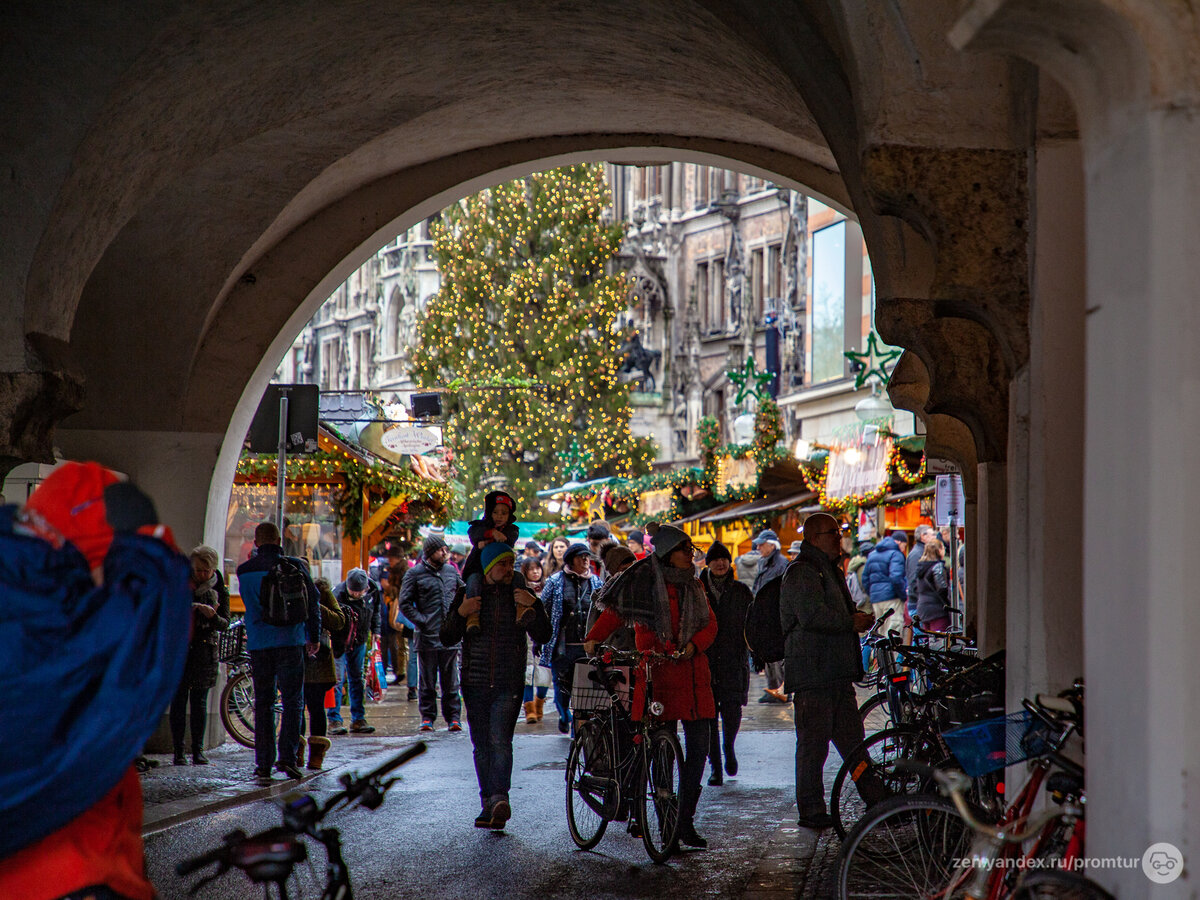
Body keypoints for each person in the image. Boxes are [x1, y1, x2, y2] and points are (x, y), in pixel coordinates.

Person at [0, 462, 191, 900]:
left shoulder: (22, 593)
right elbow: (152, 630)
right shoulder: (65, 624)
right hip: (70, 878)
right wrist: (148, 544)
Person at [585, 523, 718, 849]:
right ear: (670, 553)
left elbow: (710, 624)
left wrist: (693, 645)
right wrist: (592, 640)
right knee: (662, 754)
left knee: (699, 751)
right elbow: (616, 612)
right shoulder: (643, 581)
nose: (691, 555)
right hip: (658, 675)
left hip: (694, 676)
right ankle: (668, 827)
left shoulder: (695, 586)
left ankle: (684, 820)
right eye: (686, 550)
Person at [780, 513, 884, 830]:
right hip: (814, 675)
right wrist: (850, 622)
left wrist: (854, 616)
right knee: (813, 746)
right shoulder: (802, 571)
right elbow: (811, 616)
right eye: (833, 533)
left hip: (835, 674)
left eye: (839, 533)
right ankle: (810, 809)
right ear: (814, 537)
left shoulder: (828, 569)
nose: (839, 538)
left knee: (853, 744)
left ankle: (877, 800)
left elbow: (832, 611)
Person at [441, 543, 551, 830]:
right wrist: (462, 612)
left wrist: (534, 605)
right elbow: (447, 635)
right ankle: (487, 802)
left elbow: (544, 633)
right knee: (481, 745)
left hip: (508, 681)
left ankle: (500, 798)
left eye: (511, 563)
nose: (508, 568)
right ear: (489, 567)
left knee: (500, 741)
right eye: (503, 563)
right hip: (474, 681)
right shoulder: (470, 593)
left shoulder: (518, 595)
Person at [237, 521, 322, 781]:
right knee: (293, 701)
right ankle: (288, 759)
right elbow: (313, 600)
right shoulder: (294, 566)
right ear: (279, 539)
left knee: (263, 703)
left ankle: (263, 763)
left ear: (256, 541)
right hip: (291, 640)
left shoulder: (244, 571)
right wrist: (314, 636)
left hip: (260, 644)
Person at [170, 545, 231, 765]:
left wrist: (212, 616)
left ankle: (198, 750)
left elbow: (225, 622)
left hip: (204, 649)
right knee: (178, 700)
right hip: (180, 649)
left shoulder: (219, 588)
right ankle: (179, 751)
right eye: (198, 571)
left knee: (199, 702)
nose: (202, 575)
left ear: (213, 570)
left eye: (206, 571)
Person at [401, 533, 466, 732]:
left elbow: (463, 592)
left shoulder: (450, 571)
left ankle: (453, 718)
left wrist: (458, 618)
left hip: (449, 637)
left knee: (451, 681)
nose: (445, 552)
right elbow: (404, 603)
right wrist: (422, 621)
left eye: (445, 548)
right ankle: (427, 718)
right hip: (427, 637)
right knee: (427, 680)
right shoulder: (414, 573)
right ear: (430, 552)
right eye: (441, 549)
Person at [699, 541, 752, 787]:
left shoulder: (741, 591)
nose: (720, 563)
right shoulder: (698, 590)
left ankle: (728, 747)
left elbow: (753, 625)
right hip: (705, 661)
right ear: (707, 563)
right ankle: (715, 767)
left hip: (733, 660)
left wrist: (757, 652)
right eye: (715, 559)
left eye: (724, 559)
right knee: (709, 716)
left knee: (732, 709)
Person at [538, 542, 603, 733]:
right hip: (562, 646)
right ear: (570, 560)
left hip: (587, 647)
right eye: (580, 557)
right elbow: (543, 610)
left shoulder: (596, 582)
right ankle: (564, 713)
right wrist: (540, 639)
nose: (585, 560)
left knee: (584, 687)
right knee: (561, 683)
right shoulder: (555, 581)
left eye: (587, 556)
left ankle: (578, 726)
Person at [299, 578, 346, 769]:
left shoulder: (321, 590)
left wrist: (315, 606)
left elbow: (339, 620)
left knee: (316, 708)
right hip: (295, 657)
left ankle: (316, 756)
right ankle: (297, 753)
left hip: (318, 662)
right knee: (296, 709)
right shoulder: (281, 589)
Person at [330, 568, 382, 734]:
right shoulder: (337, 595)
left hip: (359, 640)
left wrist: (376, 630)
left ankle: (358, 719)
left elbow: (376, 612)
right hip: (339, 642)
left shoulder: (373, 591)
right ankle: (334, 720)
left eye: (360, 592)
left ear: (366, 588)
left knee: (357, 679)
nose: (357, 595)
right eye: (354, 592)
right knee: (337, 681)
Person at [462, 491, 519, 635]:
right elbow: (475, 533)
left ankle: (521, 608)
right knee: (474, 581)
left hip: (502, 570)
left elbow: (508, 540)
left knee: (518, 579)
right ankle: (473, 615)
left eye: (504, 513)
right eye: (495, 512)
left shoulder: (512, 530)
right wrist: (492, 534)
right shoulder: (480, 526)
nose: (499, 516)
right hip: (479, 569)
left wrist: (485, 542)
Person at [752, 529, 789, 704]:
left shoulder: (781, 564)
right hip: (765, 616)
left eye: (761, 543)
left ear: (772, 545)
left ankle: (781, 690)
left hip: (775, 617)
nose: (758, 546)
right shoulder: (764, 562)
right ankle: (773, 688)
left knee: (777, 657)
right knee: (768, 656)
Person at [517, 556, 551, 723]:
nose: (535, 571)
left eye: (538, 568)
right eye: (531, 569)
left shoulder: (548, 588)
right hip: (527, 638)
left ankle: (539, 704)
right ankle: (529, 708)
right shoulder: (521, 591)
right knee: (528, 674)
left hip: (543, 637)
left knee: (544, 674)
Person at [861, 530, 907, 635]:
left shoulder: (872, 555)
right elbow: (896, 578)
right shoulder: (896, 554)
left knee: (880, 632)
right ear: (899, 542)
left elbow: (865, 578)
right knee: (892, 632)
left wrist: (873, 593)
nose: (904, 548)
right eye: (905, 545)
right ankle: (890, 652)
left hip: (876, 600)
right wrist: (902, 595)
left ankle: (878, 652)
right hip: (892, 599)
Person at [914, 539, 952, 632]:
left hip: (923, 608)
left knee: (927, 640)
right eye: (943, 548)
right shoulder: (938, 567)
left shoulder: (920, 567)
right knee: (940, 641)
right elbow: (942, 588)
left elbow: (915, 588)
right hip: (937, 610)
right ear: (939, 550)